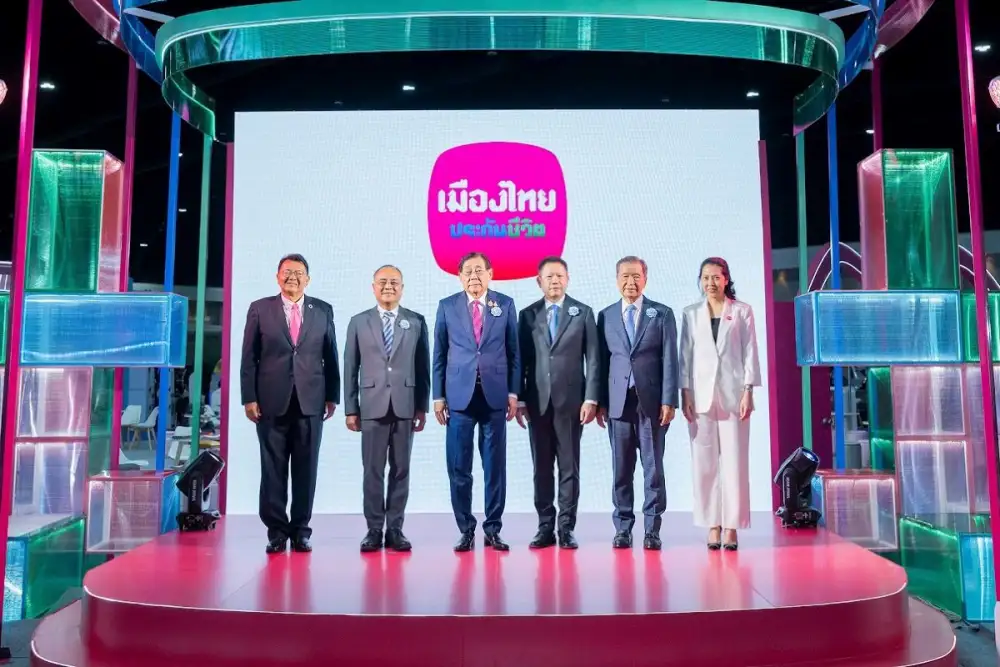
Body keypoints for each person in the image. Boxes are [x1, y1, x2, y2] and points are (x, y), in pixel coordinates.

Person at [240, 253, 339, 554]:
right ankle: (276, 532)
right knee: (273, 469)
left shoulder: (322, 310)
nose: (292, 277)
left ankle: (300, 531)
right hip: (270, 401)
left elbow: (331, 355)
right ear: (277, 276)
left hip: (311, 402)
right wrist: (249, 398)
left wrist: (332, 396)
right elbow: (249, 358)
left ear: (308, 279)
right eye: (286, 272)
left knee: (306, 470)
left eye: (298, 273)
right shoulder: (260, 309)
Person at [432, 252, 520, 552]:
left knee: (495, 467)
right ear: (460, 277)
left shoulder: (505, 304)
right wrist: (438, 396)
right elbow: (439, 354)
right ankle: (466, 529)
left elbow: (514, 352)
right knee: (459, 467)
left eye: (479, 270)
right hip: (459, 398)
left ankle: (493, 529)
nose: (474, 276)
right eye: (468, 271)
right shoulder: (447, 306)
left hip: (495, 396)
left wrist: (513, 393)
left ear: (490, 274)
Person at [344, 265, 430, 553]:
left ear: (402, 288)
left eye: (394, 282)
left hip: (405, 405)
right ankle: (373, 529)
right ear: (373, 287)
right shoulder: (358, 322)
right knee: (373, 470)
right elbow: (350, 367)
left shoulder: (415, 321)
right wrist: (351, 408)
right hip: (371, 405)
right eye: (383, 282)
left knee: (401, 469)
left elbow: (422, 367)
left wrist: (422, 407)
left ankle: (395, 529)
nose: (388, 286)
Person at [516, 257, 599, 549]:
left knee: (569, 467)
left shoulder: (583, 313)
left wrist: (591, 398)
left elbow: (594, 360)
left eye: (560, 276)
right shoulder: (528, 315)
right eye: (549, 277)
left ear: (567, 279)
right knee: (541, 468)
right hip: (537, 403)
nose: (555, 281)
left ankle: (566, 527)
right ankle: (544, 527)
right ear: (539, 281)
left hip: (572, 404)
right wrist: (520, 399)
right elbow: (521, 361)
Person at [596, 256, 678, 550]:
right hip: (618, 404)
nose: (630, 282)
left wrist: (669, 400)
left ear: (645, 279)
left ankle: (652, 530)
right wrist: (600, 402)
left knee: (653, 470)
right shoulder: (606, 316)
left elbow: (670, 360)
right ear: (617, 279)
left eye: (636, 276)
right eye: (625, 276)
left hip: (652, 404)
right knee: (621, 469)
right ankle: (623, 528)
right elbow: (601, 362)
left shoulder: (662, 314)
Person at [679, 257, 760, 551]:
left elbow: (750, 352)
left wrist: (748, 390)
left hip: (734, 395)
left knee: (735, 463)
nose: (710, 283)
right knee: (704, 464)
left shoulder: (741, 311)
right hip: (700, 397)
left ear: (726, 279)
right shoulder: (690, 314)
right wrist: (685, 393)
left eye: (716, 277)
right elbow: (685, 356)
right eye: (705, 278)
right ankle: (712, 525)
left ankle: (732, 527)